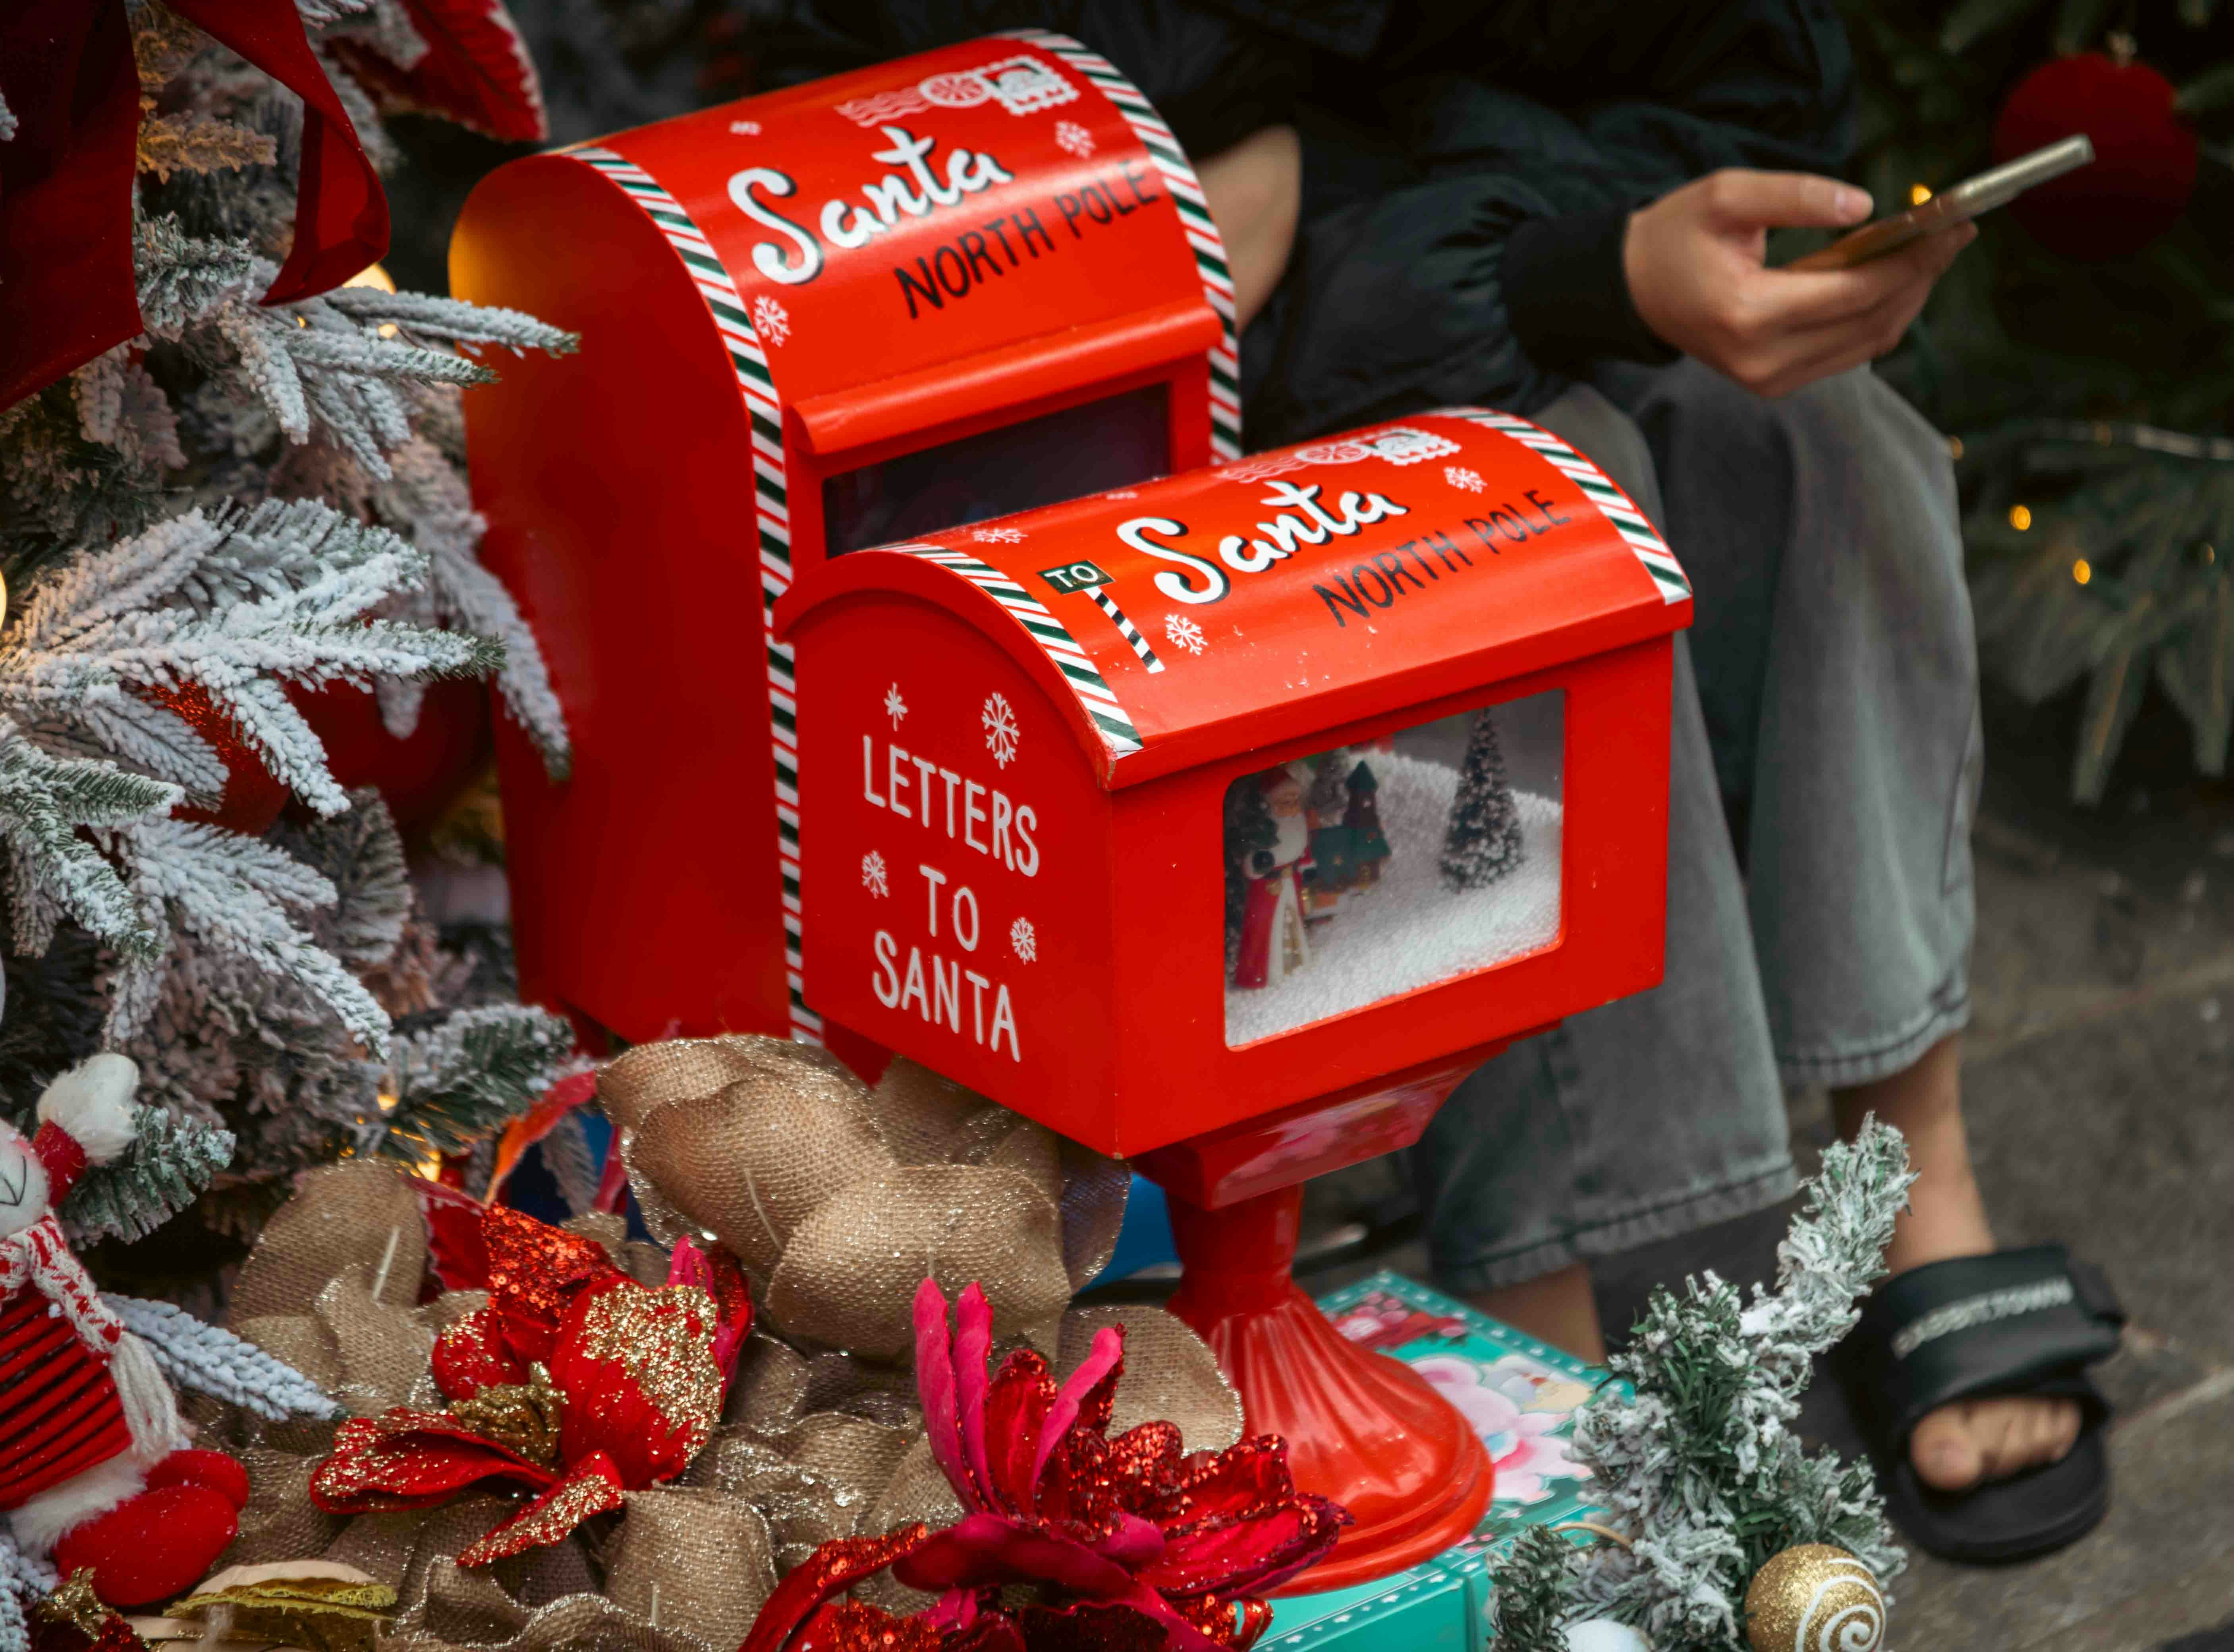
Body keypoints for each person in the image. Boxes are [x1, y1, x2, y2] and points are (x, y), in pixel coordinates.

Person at [770, 0, 2126, 1563]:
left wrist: (1555, 243)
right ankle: (1580, 1287)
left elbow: (1758, 83)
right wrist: (1543, 244)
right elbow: (1102, 148)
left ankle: (1912, 1153)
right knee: (1543, 524)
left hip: (1489, 260)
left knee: (1830, 438)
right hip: (1191, 377)